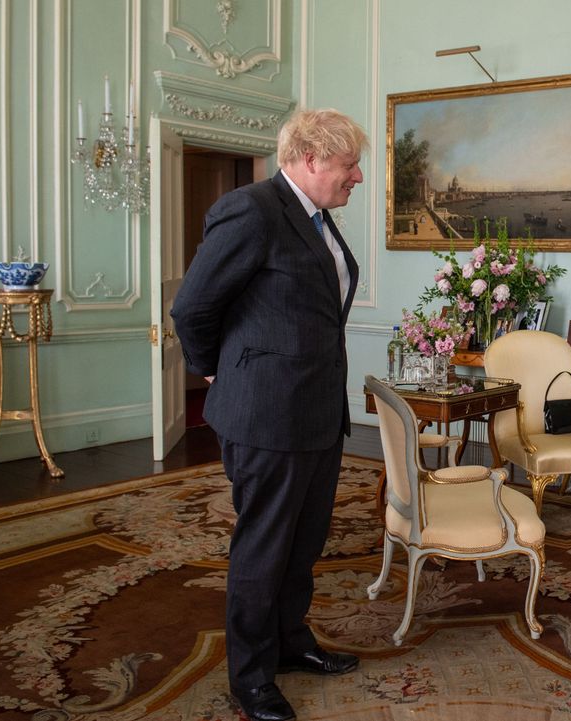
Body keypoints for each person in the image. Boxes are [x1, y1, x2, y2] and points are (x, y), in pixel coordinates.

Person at [171, 109, 367, 721]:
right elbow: (192, 307)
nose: (357, 176)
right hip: (268, 416)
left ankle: (289, 644)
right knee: (264, 547)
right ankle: (250, 678)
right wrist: (213, 369)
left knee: (303, 542)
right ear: (310, 159)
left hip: (315, 411)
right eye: (348, 164)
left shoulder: (317, 218)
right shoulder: (252, 210)